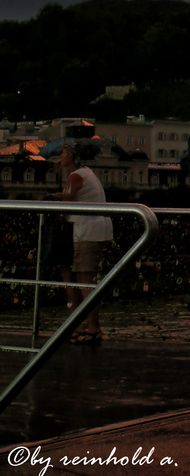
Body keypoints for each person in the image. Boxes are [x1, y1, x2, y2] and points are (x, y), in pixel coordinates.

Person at [55, 145, 113, 344]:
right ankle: (88, 325)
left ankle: (93, 327)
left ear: (72, 157)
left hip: (86, 231)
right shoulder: (85, 174)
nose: (60, 157)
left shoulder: (76, 176)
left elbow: (67, 201)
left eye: (63, 153)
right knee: (83, 279)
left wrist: (60, 194)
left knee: (85, 281)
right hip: (91, 229)